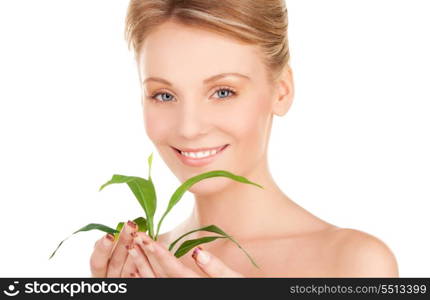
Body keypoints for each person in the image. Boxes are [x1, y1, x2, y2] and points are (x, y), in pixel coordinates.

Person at [90, 0, 399, 278]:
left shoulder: (353, 263)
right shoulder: (135, 264)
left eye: (223, 92)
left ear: (282, 90)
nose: (189, 127)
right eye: (164, 94)